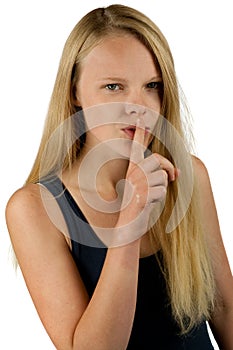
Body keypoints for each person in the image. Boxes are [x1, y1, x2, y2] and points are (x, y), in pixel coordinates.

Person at [5, 4, 233, 350]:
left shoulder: (190, 175)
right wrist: (131, 218)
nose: (137, 105)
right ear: (74, 92)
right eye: (113, 87)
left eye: (152, 85)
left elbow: (224, 308)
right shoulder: (35, 208)